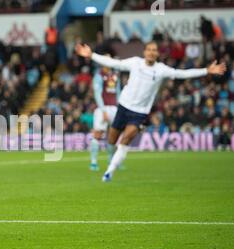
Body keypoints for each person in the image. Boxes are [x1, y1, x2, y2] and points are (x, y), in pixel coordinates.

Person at [75, 41, 226, 182]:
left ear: (157, 54)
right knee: (111, 140)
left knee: (126, 139)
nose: (151, 52)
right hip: (123, 106)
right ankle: (110, 160)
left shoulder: (161, 70)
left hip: (140, 112)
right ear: (145, 52)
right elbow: (114, 63)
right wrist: (92, 55)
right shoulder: (135, 63)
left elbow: (182, 73)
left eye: (154, 50)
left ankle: (109, 171)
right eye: (149, 50)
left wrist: (207, 70)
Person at [89, 56, 120, 171]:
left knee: (115, 135)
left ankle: (112, 160)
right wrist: (103, 110)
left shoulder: (115, 76)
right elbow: (97, 94)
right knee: (98, 134)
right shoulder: (98, 76)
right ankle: (93, 162)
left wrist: (121, 108)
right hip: (102, 108)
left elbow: (118, 93)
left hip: (114, 108)